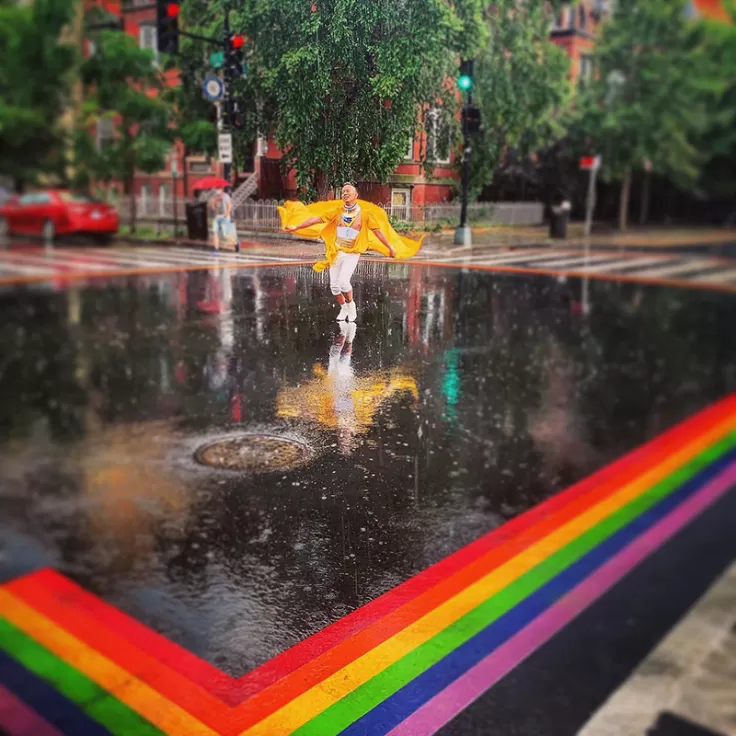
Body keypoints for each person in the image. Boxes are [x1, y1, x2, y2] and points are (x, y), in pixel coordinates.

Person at [279, 183, 423, 322]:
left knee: (343, 282)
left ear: (356, 195)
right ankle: (344, 308)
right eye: (343, 192)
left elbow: (378, 232)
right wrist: (296, 227)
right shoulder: (337, 212)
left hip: (352, 253)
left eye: (348, 191)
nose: (345, 193)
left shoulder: (365, 215)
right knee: (334, 287)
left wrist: (390, 247)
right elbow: (315, 219)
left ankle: (351, 305)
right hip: (337, 252)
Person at [210, 186, 241, 252]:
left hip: (225, 217)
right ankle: (216, 249)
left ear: (221, 189)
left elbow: (229, 206)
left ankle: (236, 243)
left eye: (218, 189)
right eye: (216, 189)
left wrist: (226, 214)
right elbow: (213, 208)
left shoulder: (226, 196)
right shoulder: (215, 197)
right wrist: (213, 203)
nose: (217, 190)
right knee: (215, 232)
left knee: (225, 234)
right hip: (217, 217)